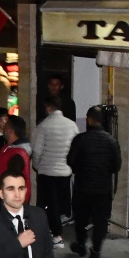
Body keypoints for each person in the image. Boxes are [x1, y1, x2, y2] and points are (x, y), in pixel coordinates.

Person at [66, 107, 124, 258]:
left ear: (89, 119)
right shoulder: (111, 141)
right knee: (101, 221)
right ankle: (96, 251)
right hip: (103, 188)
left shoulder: (80, 139)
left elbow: (70, 161)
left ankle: (81, 244)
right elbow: (116, 166)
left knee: (80, 219)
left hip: (82, 187)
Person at [30, 96, 76, 246]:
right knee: (61, 203)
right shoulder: (72, 125)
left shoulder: (43, 126)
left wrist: (37, 166)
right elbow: (75, 149)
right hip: (65, 172)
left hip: (47, 172)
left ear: (49, 108)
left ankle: (56, 235)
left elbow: (37, 151)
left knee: (50, 204)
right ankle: (57, 230)